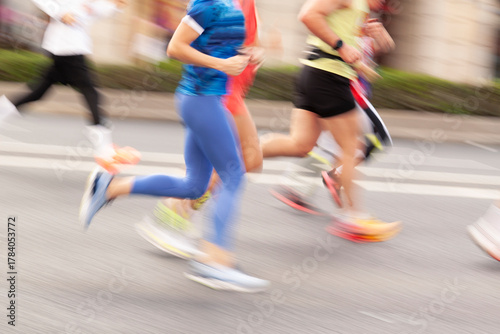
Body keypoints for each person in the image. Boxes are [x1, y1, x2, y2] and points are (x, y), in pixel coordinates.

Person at [79, 0, 270, 292]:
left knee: (195, 185)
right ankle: (215, 262)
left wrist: (247, 54)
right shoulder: (209, 3)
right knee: (232, 174)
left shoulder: (229, 4)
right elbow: (176, 47)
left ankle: (109, 188)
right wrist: (222, 64)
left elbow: (213, 43)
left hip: (206, 99)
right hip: (201, 100)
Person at [260, 0, 401, 240]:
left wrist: (363, 36)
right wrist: (342, 46)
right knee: (351, 148)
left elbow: (338, 27)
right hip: (328, 76)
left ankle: (234, 152)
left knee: (300, 145)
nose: (384, 3)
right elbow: (308, 15)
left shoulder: (359, 6)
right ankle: (353, 217)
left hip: (317, 73)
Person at [135, 0, 265, 260]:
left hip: (229, 88)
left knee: (235, 164)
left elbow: (249, 40)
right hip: (219, 90)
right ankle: (181, 219)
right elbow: (184, 42)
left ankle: (179, 215)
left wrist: (253, 53)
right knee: (240, 164)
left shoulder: (246, 3)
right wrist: (222, 63)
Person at [0, 0, 138, 172]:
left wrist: (115, 6)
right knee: (90, 92)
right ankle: (104, 149)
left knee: (38, 92)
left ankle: (104, 148)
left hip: (68, 47)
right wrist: (59, 12)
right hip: (67, 47)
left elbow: (93, 12)